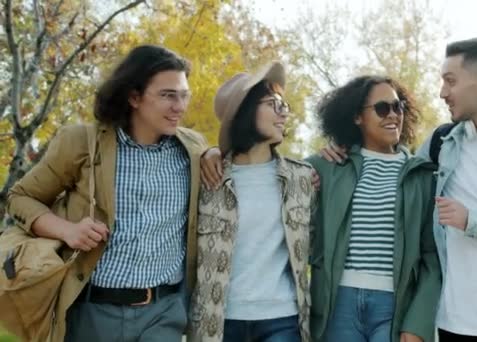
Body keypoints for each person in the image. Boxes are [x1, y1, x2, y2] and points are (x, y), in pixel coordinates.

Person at [321, 38, 477, 342]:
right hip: (454, 327)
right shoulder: (438, 145)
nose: (443, 92)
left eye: (450, 81)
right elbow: (389, 170)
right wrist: (340, 151)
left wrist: (474, 222)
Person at [200, 75, 441, 342]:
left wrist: (419, 322)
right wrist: (211, 152)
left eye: (399, 107)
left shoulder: (422, 176)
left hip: (394, 305)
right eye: (383, 108)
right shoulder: (325, 166)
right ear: (356, 117)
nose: (393, 115)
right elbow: (254, 163)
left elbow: (432, 256)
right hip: (338, 303)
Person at [7, 45, 208, 342]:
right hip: (93, 313)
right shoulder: (82, 143)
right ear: (134, 97)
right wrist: (68, 231)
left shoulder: (194, 150)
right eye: (168, 95)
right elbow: (20, 198)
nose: (180, 106)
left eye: (184, 95)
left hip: (163, 314)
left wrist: (215, 153)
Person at [187, 62, 315, 342]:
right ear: (245, 111)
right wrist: (207, 151)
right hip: (217, 322)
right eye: (274, 104)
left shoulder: (301, 178)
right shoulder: (207, 179)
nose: (284, 113)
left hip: (282, 320)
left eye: (284, 105)